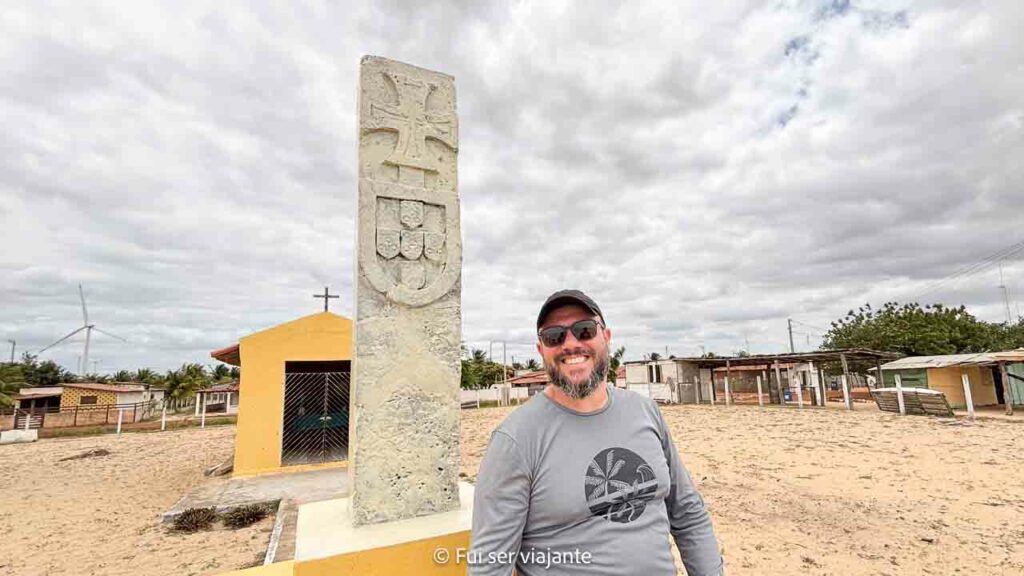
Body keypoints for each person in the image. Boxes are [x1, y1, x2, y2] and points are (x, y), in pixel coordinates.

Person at [469, 289, 723, 576]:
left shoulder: (645, 411)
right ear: (541, 350)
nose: (571, 344)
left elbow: (688, 514)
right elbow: (489, 564)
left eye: (584, 330)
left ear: (606, 337)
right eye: (555, 336)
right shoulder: (514, 440)